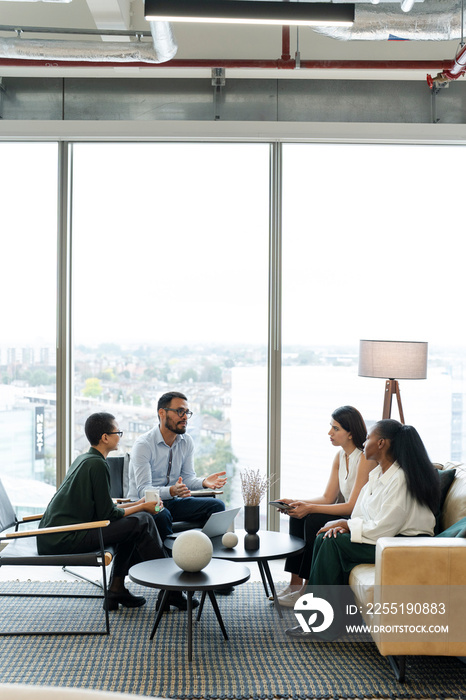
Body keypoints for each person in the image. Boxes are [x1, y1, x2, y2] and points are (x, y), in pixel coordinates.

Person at [286, 418, 440, 641]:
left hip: (403, 544)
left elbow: (386, 526)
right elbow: (361, 513)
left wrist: (346, 524)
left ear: (381, 443)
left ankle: (321, 625)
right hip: (385, 538)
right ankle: (321, 618)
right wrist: (344, 526)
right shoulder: (378, 475)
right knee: (325, 536)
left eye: (369, 438)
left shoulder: (400, 479)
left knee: (331, 543)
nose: (365, 441)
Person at [38, 412, 193, 612]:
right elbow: (107, 515)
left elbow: (105, 509)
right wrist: (141, 506)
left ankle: (117, 589)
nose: (120, 436)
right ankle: (170, 589)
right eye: (117, 432)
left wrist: (141, 503)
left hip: (58, 534)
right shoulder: (97, 464)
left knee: (136, 522)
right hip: (64, 538)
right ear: (105, 437)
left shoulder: (85, 459)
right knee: (141, 521)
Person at [275, 405, 375, 607]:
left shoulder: (364, 457)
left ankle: (307, 589)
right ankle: (294, 585)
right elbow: (328, 497)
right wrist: (297, 503)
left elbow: (352, 506)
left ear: (350, 433)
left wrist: (309, 508)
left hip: (356, 517)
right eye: (331, 427)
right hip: (346, 511)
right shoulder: (340, 456)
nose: (330, 433)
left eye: (336, 428)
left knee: (312, 518)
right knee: (298, 514)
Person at [128, 391, 227, 542]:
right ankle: (168, 559)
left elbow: (186, 479)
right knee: (162, 514)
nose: (185, 417)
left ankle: (205, 554)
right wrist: (172, 490)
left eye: (187, 412)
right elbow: (143, 491)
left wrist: (203, 482)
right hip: (145, 505)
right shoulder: (144, 445)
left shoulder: (186, 442)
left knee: (217, 506)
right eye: (180, 411)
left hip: (171, 502)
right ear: (162, 413)